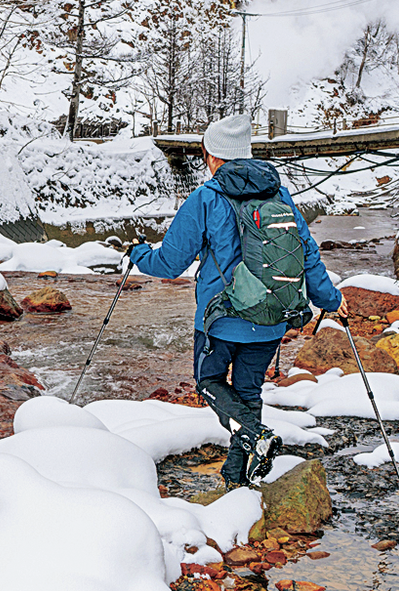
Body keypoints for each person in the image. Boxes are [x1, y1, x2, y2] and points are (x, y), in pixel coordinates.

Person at [129, 112, 346, 488]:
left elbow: (169, 262)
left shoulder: (205, 198)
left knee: (209, 380)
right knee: (247, 390)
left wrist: (138, 254)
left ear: (211, 155)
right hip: (272, 315)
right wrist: (330, 298)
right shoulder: (279, 194)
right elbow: (307, 252)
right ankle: (237, 476)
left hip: (221, 318)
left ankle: (256, 436)